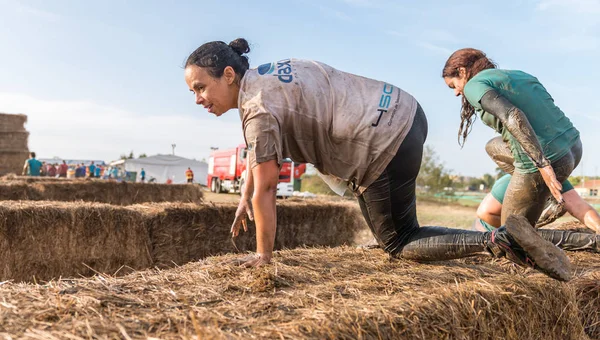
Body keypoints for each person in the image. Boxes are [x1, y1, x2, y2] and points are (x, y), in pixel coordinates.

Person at [183, 38, 581, 281]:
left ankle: (501, 242)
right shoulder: (271, 76)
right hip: (406, 111)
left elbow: (266, 185)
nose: (198, 98)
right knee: (400, 227)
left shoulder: (256, 109)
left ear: (230, 75)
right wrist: (240, 200)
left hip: (380, 140)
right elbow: (258, 161)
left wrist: (264, 256)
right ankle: (555, 240)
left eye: (201, 87)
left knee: (397, 241)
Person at [442, 49, 582, 227]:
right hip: (574, 147)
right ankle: (540, 206)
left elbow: (512, 115)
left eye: (453, 85)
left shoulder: (472, 85)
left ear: (461, 71)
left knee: (512, 231)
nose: (456, 93)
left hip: (547, 158)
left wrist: (543, 165)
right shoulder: (520, 75)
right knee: (492, 146)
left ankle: (530, 226)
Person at [475, 174, 600, 252]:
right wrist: (521, 231)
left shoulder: (557, 179)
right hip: (488, 232)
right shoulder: (510, 182)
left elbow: (579, 207)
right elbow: (485, 213)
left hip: (523, 230)